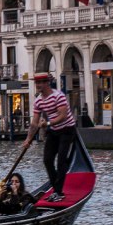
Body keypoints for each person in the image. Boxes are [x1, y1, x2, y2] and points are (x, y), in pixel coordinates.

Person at [23, 73, 78, 203]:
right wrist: (28, 139)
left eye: (40, 82)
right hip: (54, 131)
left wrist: (47, 123)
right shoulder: (38, 101)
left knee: (61, 161)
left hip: (67, 129)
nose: (38, 85)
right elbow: (34, 123)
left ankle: (58, 192)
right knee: (47, 160)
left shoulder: (59, 96)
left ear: (47, 83)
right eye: (36, 83)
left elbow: (63, 116)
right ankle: (56, 189)